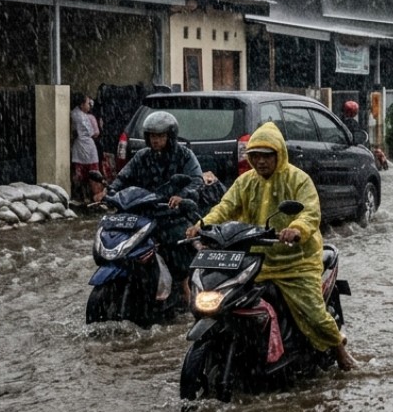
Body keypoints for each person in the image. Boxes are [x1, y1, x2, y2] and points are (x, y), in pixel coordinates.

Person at [185, 121, 357, 371]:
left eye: (266, 156)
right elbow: (225, 207)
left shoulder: (298, 180)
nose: (260, 162)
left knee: (313, 312)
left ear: (279, 154)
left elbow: (309, 213)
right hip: (253, 261)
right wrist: (202, 224)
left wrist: (296, 230)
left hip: (295, 262)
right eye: (254, 156)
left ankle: (340, 349)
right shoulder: (246, 181)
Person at [109, 112, 205, 305]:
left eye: (160, 136)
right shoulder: (142, 156)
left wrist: (181, 196)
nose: (156, 140)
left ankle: (184, 288)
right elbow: (123, 178)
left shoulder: (184, 155)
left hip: (173, 215)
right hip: (145, 213)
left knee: (179, 241)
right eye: (152, 136)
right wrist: (110, 192)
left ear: (170, 137)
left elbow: (196, 181)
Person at [70, 93, 103, 204]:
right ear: (81, 104)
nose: (89, 105)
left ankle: (84, 197)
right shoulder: (81, 117)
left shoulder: (76, 115)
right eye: (88, 103)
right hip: (85, 147)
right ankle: (95, 197)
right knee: (92, 175)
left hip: (82, 148)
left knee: (81, 175)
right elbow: (94, 133)